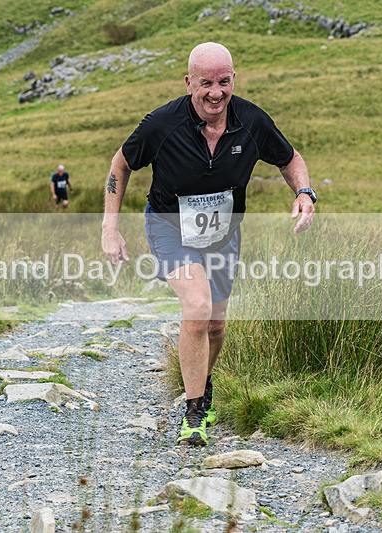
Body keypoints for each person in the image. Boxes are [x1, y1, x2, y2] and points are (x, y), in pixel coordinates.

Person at [101, 42, 317, 446]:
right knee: (197, 308)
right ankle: (195, 411)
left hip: (223, 233)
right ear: (189, 83)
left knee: (216, 325)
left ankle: (203, 382)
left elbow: (290, 159)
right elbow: (121, 164)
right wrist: (109, 228)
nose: (216, 92)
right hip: (169, 227)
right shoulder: (162, 125)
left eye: (224, 81)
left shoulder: (252, 121)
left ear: (234, 79)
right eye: (205, 83)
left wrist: (304, 192)